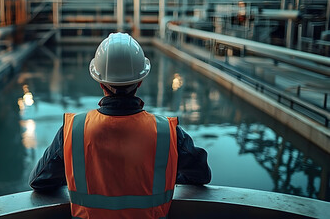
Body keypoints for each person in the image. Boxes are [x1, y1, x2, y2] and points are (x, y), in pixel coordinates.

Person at [29, 33, 211, 219]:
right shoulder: (167, 132)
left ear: (100, 82)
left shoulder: (74, 130)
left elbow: (39, 181)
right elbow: (202, 175)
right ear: (140, 81)